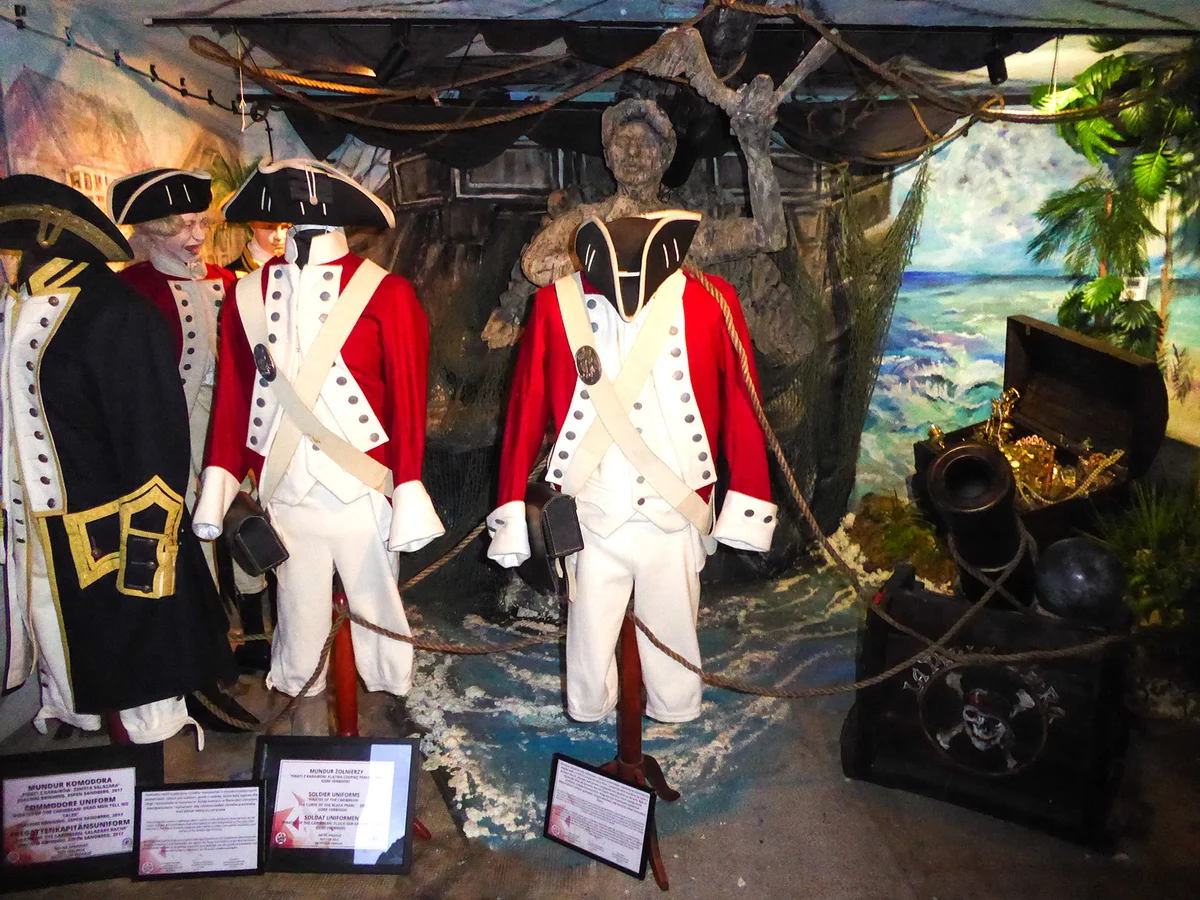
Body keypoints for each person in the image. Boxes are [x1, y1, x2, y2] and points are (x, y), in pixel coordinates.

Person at [487, 207, 777, 723]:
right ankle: (595, 710)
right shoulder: (555, 304)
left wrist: (750, 499)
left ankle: (671, 708)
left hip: (676, 513)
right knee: (588, 654)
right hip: (590, 516)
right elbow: (524, 410)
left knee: (675, 652)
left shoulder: (712, 299)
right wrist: (510, 508)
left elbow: (741, 404)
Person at [193, 159, 444, 719]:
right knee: (298, 622)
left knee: (378, 617)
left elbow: (408, 400)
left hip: (362, 489)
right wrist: (219, 485)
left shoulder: (388, 293)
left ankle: (379, 703)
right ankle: (306, 719)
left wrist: (408, 487)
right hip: (285, 488)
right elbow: (233, 398)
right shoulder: (247, 295)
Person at [0, 174, 236, 744]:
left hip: (106, 538)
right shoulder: (15, 309)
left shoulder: (114, 312)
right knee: (65, 659)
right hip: (38, 537)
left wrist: (148, 552)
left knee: (138, 687)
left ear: (39, 241)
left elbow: (153, 440)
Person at [111, 168, 271, 673]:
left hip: (231, 420)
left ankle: (257, 631)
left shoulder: (231, 281)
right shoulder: (130, 290)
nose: (198, 235)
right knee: (189, 528)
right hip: (168, 426)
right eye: (182, 226)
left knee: (246, 518)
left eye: (201, 222)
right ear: (151, 231)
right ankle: (209, 640)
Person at [225, 220, 290, 276]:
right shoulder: (230, 279)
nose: (279, 236)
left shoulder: (294, 269)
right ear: (252, 224)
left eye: (285, 227)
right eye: (269, 227)